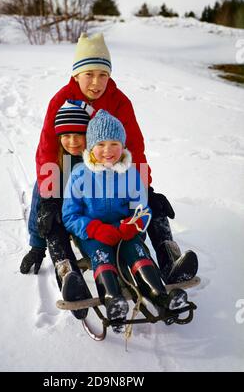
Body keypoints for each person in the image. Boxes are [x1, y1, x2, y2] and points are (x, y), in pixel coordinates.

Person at [20, 32, 198, 285]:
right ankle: (53, 257)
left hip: (110, 168)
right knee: (47, 200)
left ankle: (170, 260)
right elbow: (47, 149)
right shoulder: (61, 101)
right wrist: (50, 196)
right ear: (76, 74)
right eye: (89, 74)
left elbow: (135, 147)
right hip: (69, 166)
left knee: (149, 204)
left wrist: (146, 187)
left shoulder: (119, 102)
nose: (96, 82)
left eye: (103, 74)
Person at [62, 110, 188, 333]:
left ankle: (160, 295)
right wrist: (94, 228)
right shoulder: (79, 175)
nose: (108, 151)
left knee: (137, 251)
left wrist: (134, 224)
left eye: (114, 144)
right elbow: (70, 216)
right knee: (101, 254)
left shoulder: (130, 174)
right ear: (91, 148)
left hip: (125, 231)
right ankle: (113, 299)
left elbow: (143, 208)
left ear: (123, 146)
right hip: (93, 234)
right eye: (101, 144)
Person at [23, 100, 97, 320]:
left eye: (78, 135)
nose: (72, 142)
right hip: (61, 220)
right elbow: (39, 208)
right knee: (54, 232)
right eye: (66, 136)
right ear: (58, 138)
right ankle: (68, 278)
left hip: (88, 220)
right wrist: (37, 246)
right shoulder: (54, 167)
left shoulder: (97, 161)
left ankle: (120, 275)